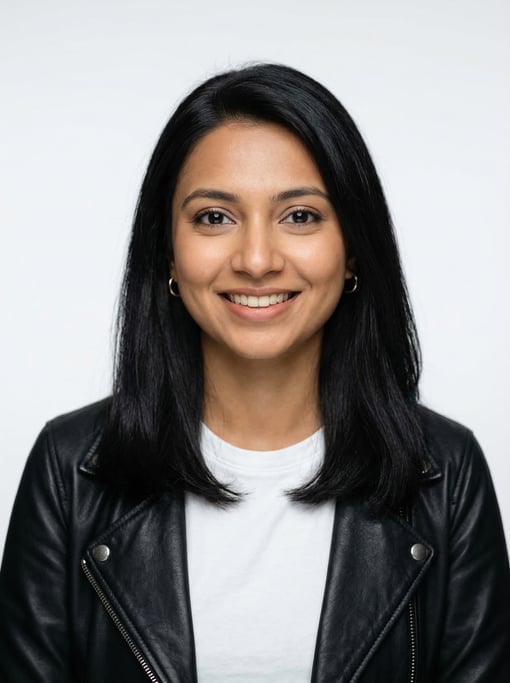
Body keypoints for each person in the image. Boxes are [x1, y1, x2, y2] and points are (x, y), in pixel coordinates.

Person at [0, 63, 509, 683]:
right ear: (168, 251)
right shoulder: (70, 467)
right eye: (215, 217)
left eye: (300, 216)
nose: (258, 260)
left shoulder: (445, 472)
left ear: (352, 250)